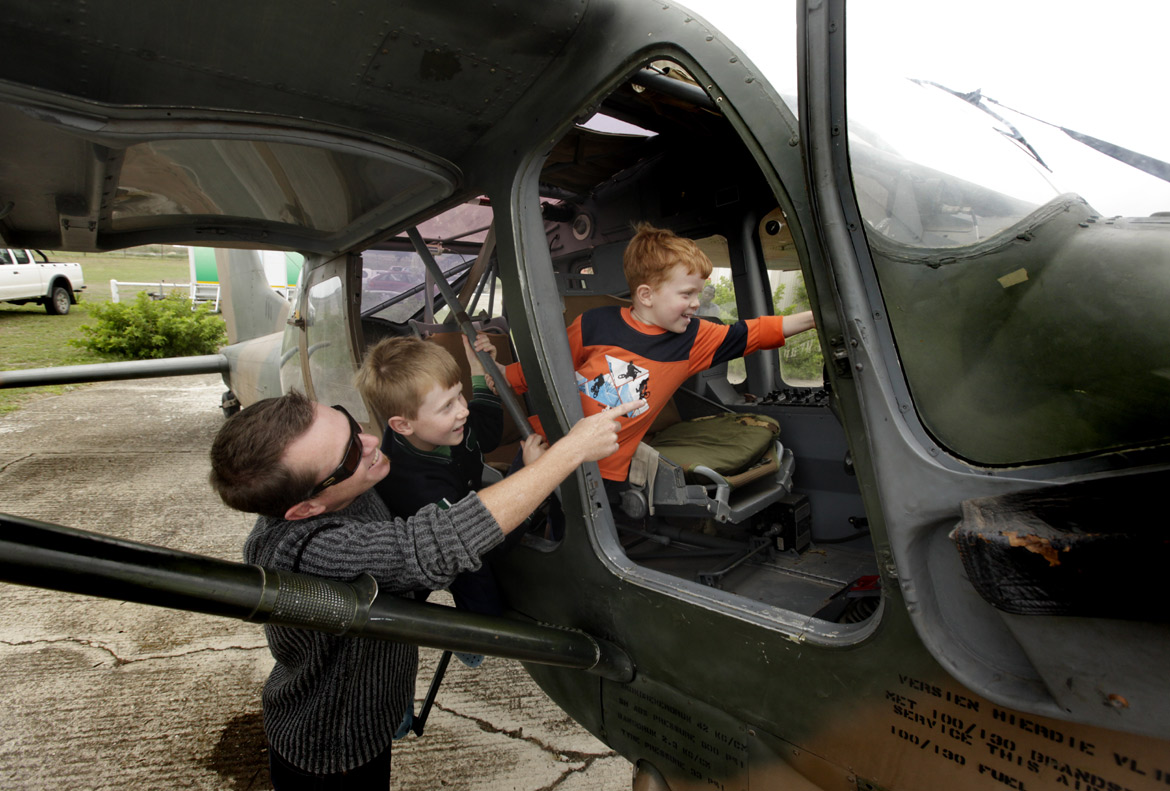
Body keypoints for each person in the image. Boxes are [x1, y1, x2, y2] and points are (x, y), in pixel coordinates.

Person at [208, 389, 641, 789]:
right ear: (307, 508)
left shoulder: (341, 488)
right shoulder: (312, 552)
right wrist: (570, 452)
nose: (372, 440)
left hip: (375, 703)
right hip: (333, 742)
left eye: (350, 422)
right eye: (351, 454)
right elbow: (437, 543)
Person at [501, 222, 816, 485]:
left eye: (697, 292)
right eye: (686, 293)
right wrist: (505, 377)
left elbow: (754, 333)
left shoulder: (693, 338)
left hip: (606, 465)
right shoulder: (595, 324)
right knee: (513, 516)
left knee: (566, 531)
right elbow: (549, 366)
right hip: (549, 440)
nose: (696, 302)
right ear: (646, 295)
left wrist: (816, 317)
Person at [354, 334, 547, 621]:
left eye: (460, 394)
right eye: (447, 405)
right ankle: (480, 631)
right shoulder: (416, 487)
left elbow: (486, 433)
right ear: (403, 425)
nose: (463, 409)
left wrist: (479, 372)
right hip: (458, 546)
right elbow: (482, 543)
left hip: (466, 500)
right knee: (474, 581)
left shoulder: (443, 428)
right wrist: (530, 477)